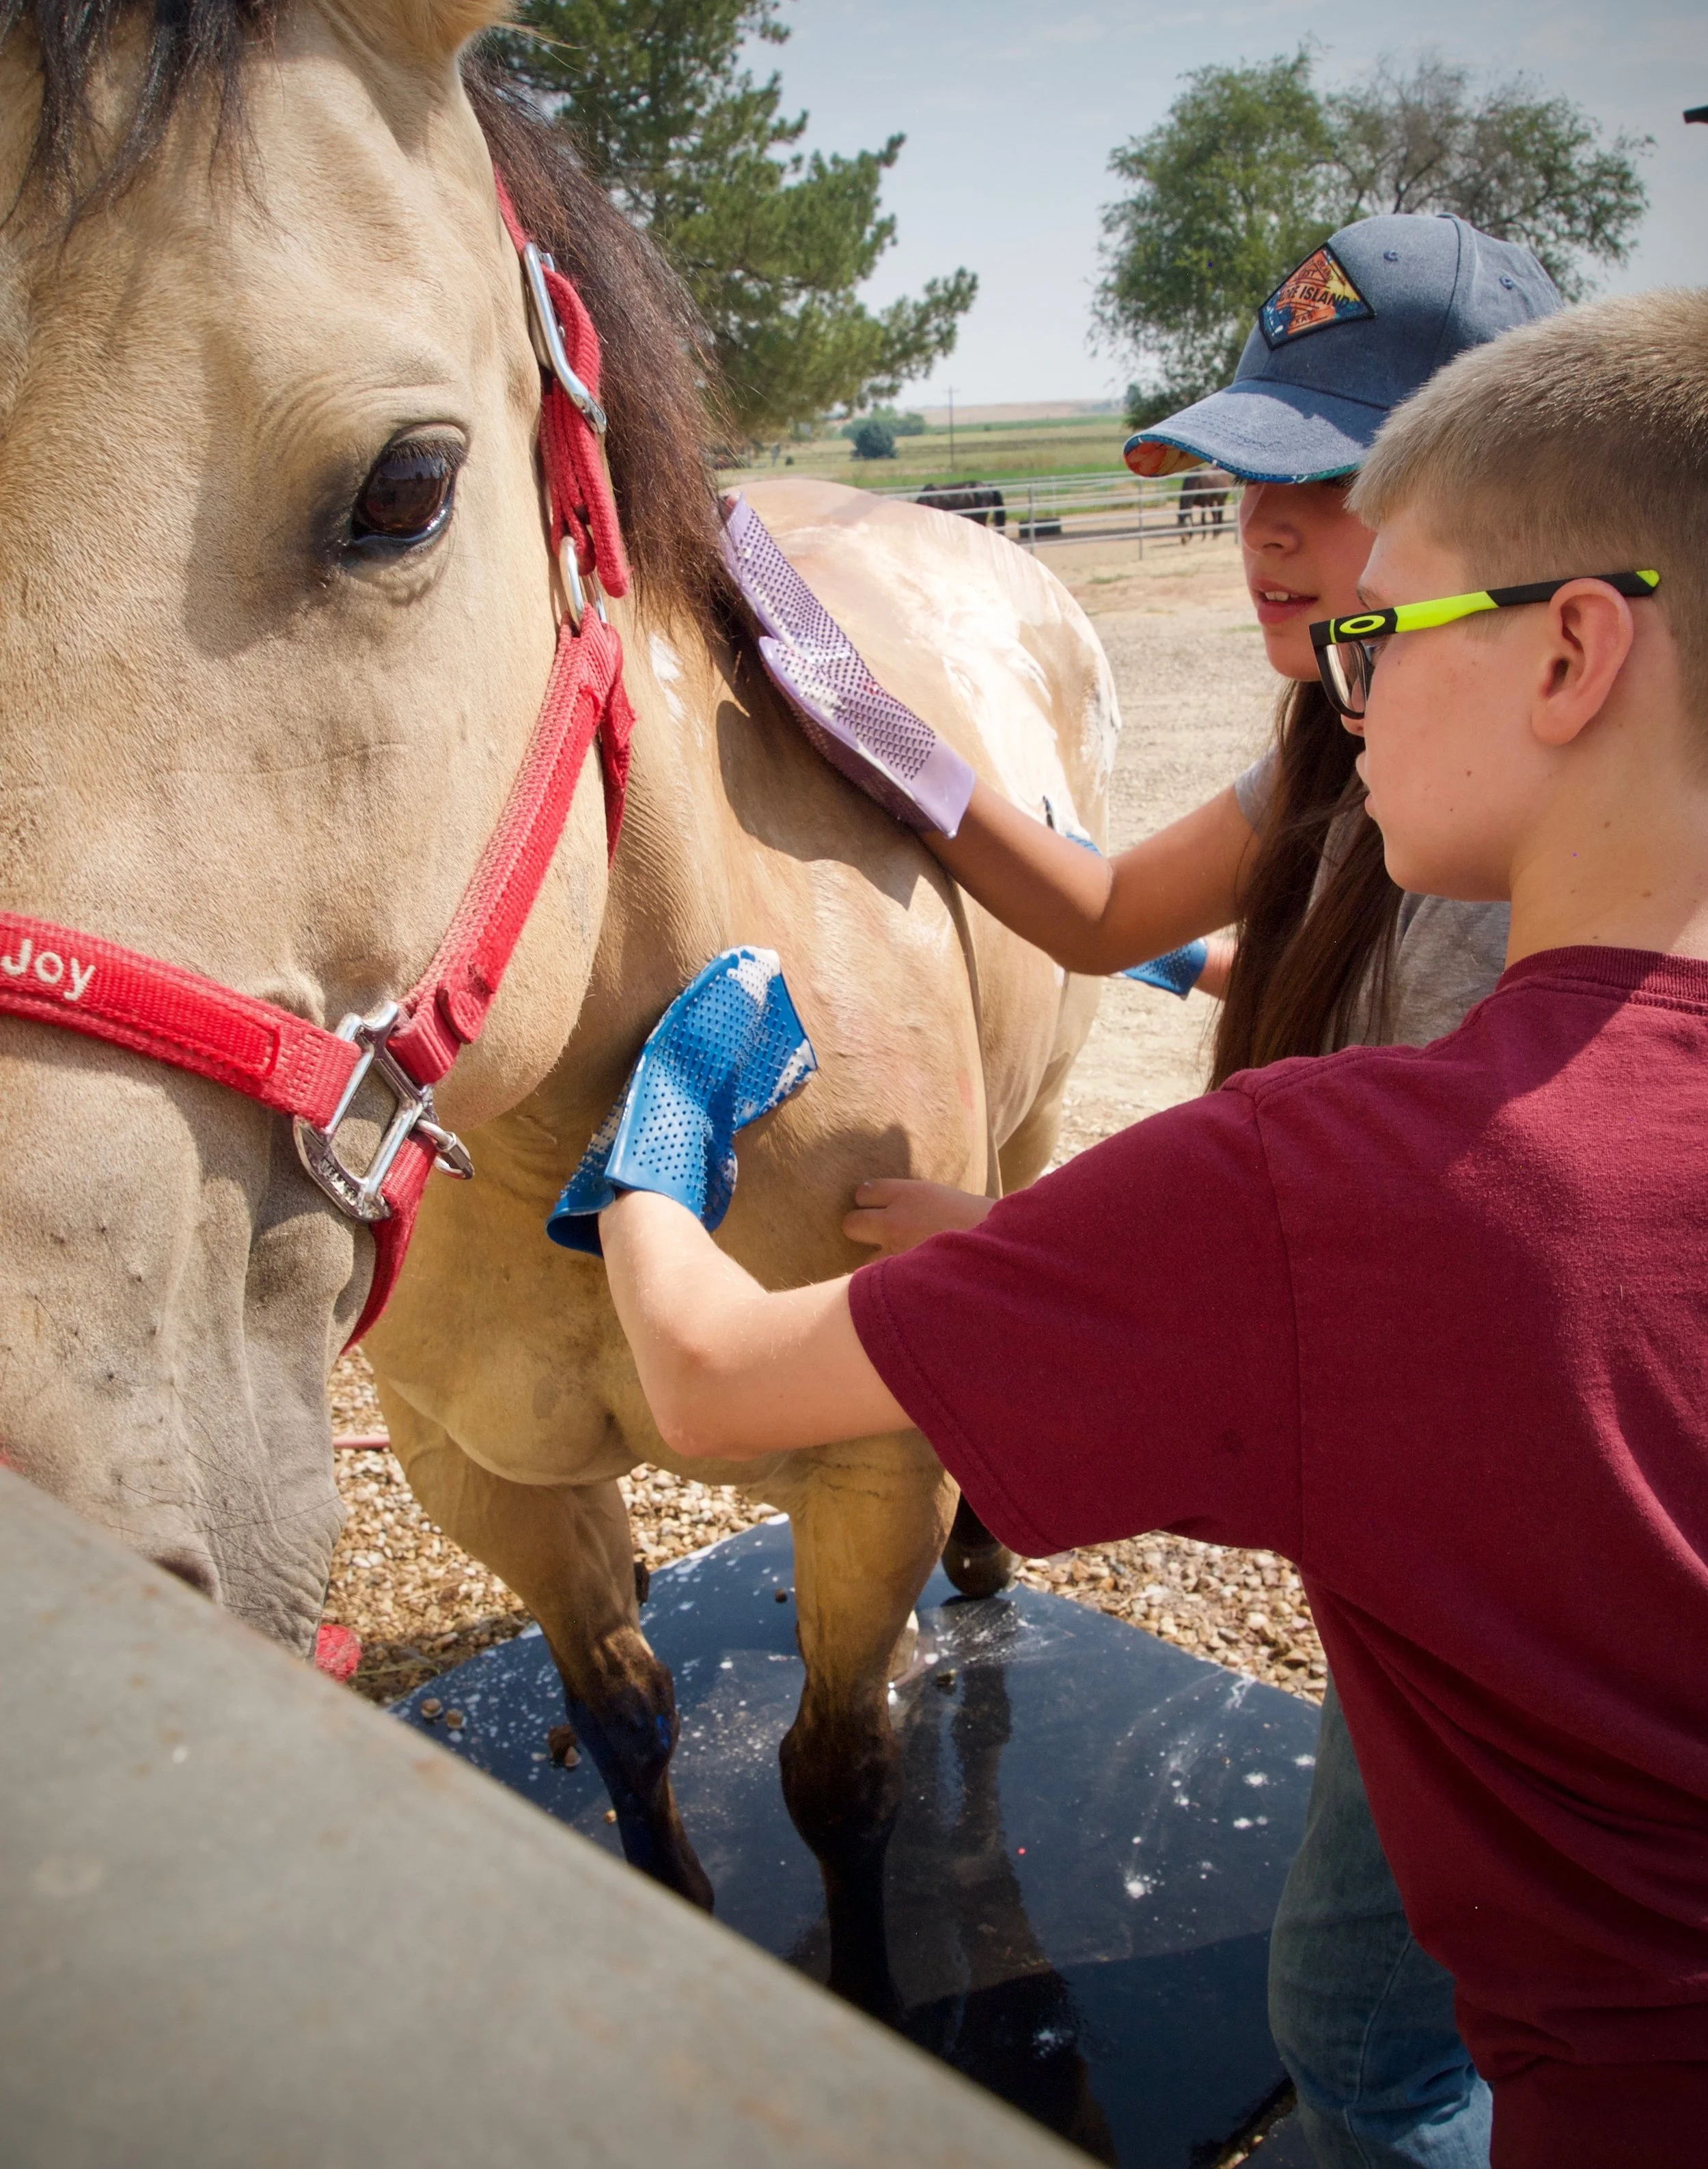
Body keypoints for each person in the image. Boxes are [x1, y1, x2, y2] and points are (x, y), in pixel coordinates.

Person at [594, 288, 1708, 2168]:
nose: (1334, 677)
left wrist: (661, 1136)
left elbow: (707, 1378)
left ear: (1568, 651)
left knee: (1359, 2037)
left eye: (1375, 628)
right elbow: (1116, 921)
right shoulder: (1389, 971)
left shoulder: (1352, 1178)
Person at [864, 215, 1556, 2169]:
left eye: (1330, 483)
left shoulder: (1514, 836)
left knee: (1362, 2030)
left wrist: (1008, 1274)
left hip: (1485, 1533)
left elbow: (1399, 1275)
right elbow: (1090, 911)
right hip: (1433, 1527)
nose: (1265, 524)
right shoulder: (1340, 726)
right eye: (1251, 476)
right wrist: (879, 731)